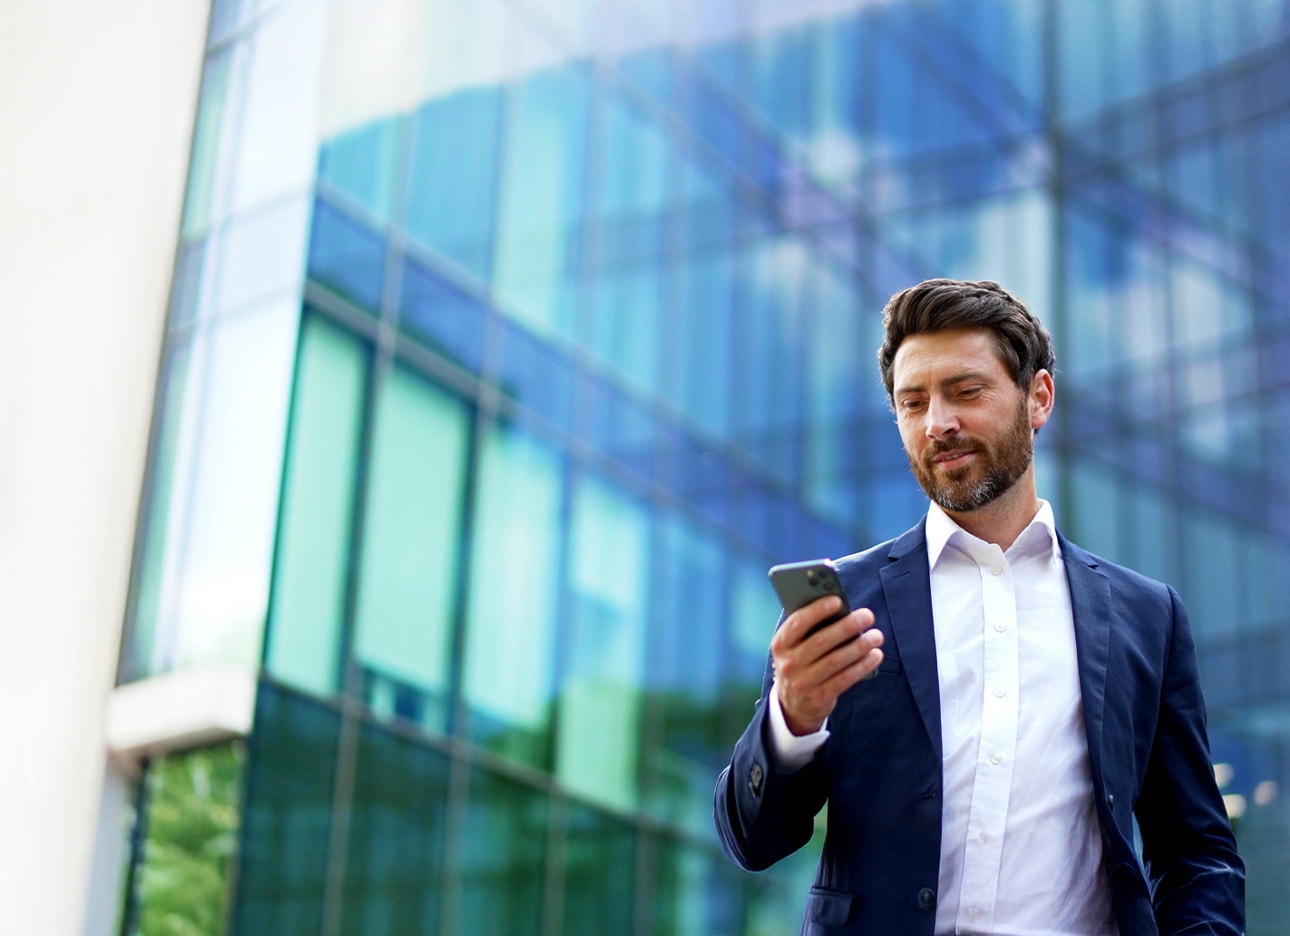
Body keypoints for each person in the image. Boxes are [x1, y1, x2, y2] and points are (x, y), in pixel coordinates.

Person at [714, 279, 1244, 935]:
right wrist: (790, 721)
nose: (938, 422)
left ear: (1038, 399)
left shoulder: (1146, 616)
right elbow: (751, 842)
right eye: (913, 403)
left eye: (965, 391)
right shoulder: (842, 605)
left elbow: (1197, 854)